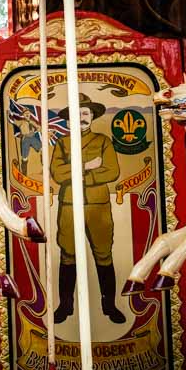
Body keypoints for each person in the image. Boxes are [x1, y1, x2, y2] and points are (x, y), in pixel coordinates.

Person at [51, 93, 124, 325]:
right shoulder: (62, 143)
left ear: (92, 116)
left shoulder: (103, 141)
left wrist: (77, 175)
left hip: (98, 207)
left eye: (85, 113)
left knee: (104, 255)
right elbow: (57, 174)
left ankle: (110, 306)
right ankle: (65, 306)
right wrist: (86, 166)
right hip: (69, 206)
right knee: (68, 255)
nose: (81, 117)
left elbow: (112, 171)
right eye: (76, 113)